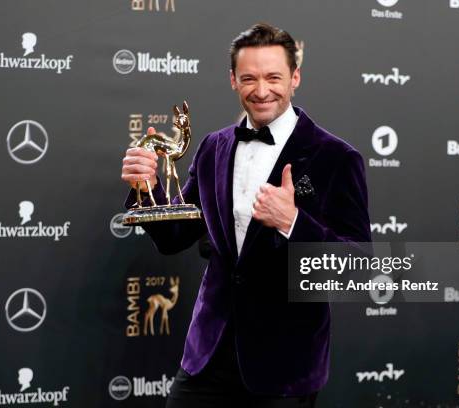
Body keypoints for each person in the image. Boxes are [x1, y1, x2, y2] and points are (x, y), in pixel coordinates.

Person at [121, 22, 370, 408]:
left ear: (295, 78)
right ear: (233, 80)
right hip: (208, 354)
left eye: (274, 77)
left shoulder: (336, 157)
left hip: (284, 365)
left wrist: (292, 222)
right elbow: (174, 238)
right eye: (249, 78)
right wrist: (147, 186)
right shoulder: (213, 147)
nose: (261, 90)